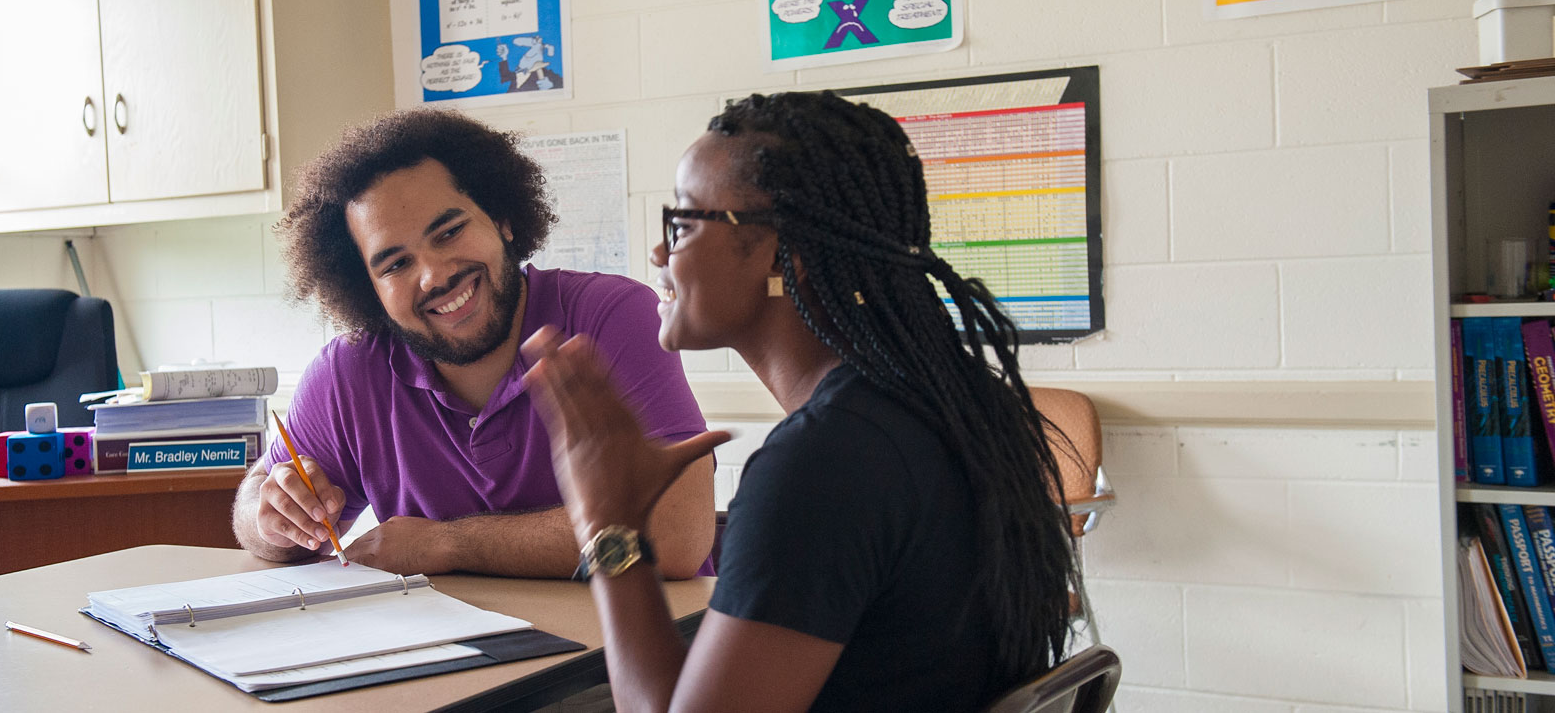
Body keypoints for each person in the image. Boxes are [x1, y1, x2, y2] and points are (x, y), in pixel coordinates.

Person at [523, 91, 1080, 711]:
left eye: (680, 225)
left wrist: (609, 523)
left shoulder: (825, 464)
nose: (659, 253)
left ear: (779, 252)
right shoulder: (943, 405)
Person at [231, 108, 716, 579]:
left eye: (448, 232)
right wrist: (272, 516)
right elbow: (255, 505)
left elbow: (675, 534)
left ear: (502, 219)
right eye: (395, 265)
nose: (434, 276)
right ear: (368, 288)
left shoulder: (611, 316)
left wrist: (447, 543)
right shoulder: (348, 373)